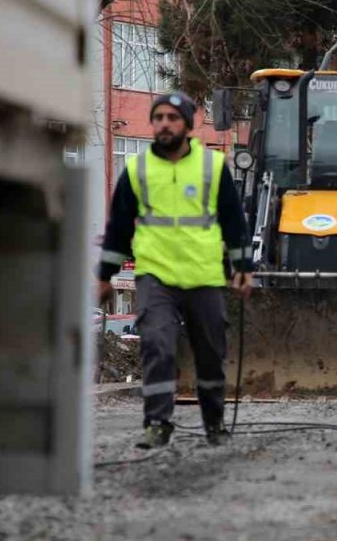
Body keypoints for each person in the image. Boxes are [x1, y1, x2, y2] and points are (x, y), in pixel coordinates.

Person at [96, 92, 254, 450]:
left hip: (204, 276)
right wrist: (104, 275)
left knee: (210, 353)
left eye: (172, 117)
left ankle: (214, 423)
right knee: (157, 345)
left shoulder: (213, 167)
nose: (164, 123)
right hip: (156, 275)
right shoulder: (137, 170)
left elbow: (234, 222)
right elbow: (119, 228)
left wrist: (243, 267)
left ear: (187, 124)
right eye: (158, 117)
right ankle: (156, 423)